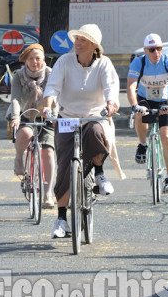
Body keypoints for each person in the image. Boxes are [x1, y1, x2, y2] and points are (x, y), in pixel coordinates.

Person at [41, 24, 119, 239]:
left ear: (93, 45)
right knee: (65, 165)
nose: (77, 42)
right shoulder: (64, 61)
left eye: (82, 40)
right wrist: (48, 106)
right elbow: (52, 87)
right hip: (68, 117)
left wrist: (111, 105)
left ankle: (100, 174)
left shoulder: (104, 64)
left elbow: (111, 89)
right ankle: (61, 219)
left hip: (94, 115)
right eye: (76, 38)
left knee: (95, 132)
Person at [127, 33, 168, 193]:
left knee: (167, 137)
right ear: (145, 50)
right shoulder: (139, 62)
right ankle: (143, 144)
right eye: (151, 50)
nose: (156, 52)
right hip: (145, 98)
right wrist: (134, 105)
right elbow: (130, 86)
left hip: (165, 100)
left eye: (159, 48)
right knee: (140, 114)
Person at [6, 44, 57, 208]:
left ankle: (48, 194)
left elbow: (56, 95)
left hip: (47, 115)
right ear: (25, 61)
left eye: (38, 58)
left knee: (48, 150)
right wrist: (15, 117)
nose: (35, 62)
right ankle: (19, 157)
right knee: (26, 133)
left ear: (43, 59)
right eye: (31, 59)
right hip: (24, 113)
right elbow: (15, 98)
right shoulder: (18, 76)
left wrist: (51, 111)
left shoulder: (51, 74)